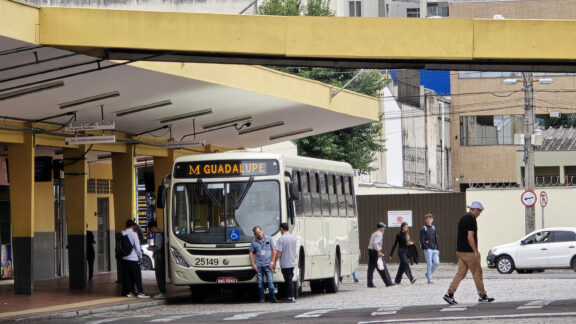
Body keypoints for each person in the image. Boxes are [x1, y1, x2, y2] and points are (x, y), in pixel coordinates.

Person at [443, 201, 494, 304]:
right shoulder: (471, 219)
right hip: (468, 252)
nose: (479, 213)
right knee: (477, 273)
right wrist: (475, 251)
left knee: (461, 273)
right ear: (475, 210)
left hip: (460, 251)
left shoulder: (463, 218)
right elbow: (470, 237)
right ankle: (482, 295)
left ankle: (449, 294)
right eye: (479, 211)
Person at [249, 225, 279, 303]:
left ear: (262, 230)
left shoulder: (269, 238)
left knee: (270, 281)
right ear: (255, 235)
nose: (259, 234)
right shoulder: (254, 242)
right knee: (260, 282)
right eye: (257, 233)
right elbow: (251, 252)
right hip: (259, 265)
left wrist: (272, 262)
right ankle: (262, 298)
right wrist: (253, 264)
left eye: (259, 232)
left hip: (268, 265)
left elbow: (273, 251)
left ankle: (273, 298)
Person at [121, 219, 149, 298]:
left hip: (124, 258)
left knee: (128, 276)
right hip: (133, 258)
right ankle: (140, 292)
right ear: (132, 226)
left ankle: (130, 292)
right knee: (137, 276)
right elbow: (137, 246)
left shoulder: (122, 233)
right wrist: (140, 256)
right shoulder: (134, 234)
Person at [272, 222, 297, 302]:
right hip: (292, 262)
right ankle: (292, 296)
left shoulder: (281, 239)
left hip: (285, 263)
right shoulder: (293, 238)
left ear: (281, 229)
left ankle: (290, 297)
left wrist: (274, 261)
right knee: (290, 279)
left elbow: (279, 252)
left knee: (288, 280)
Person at [367, 222, 395, 288]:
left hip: (370, 251)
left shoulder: (374, 233)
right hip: (375, 252)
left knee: (371, 268)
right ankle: (388, 282)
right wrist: (378, 251)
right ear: (381, 228)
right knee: (382, 267)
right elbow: (375, 243)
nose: (384, 229)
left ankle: (369, 283)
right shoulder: (379, 234)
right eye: (383, 227)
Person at [147, 220, 166, 299]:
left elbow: (158, 247)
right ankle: (162, 292)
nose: (150, 231)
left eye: (150, 229)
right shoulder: (162, 233)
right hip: (162, 257)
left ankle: (162, 292)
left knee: (159, 276)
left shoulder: (158, 235)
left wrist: (150, 248)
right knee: (161, 275)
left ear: (152, 228)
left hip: (159, 258)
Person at [420, 214, 439, 284]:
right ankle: (429, 279)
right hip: (428, 249)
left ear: (432, 220)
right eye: (427, 219)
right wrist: (426, 248)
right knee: (429, 264)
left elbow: (436, 239)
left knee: (436, 262)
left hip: (434, 248)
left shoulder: (434, 228)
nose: (428, 220)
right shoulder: (423, 229)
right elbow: (421, 240)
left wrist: (437, 248)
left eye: (430, 219)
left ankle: (428, 274)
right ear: (425, 220)